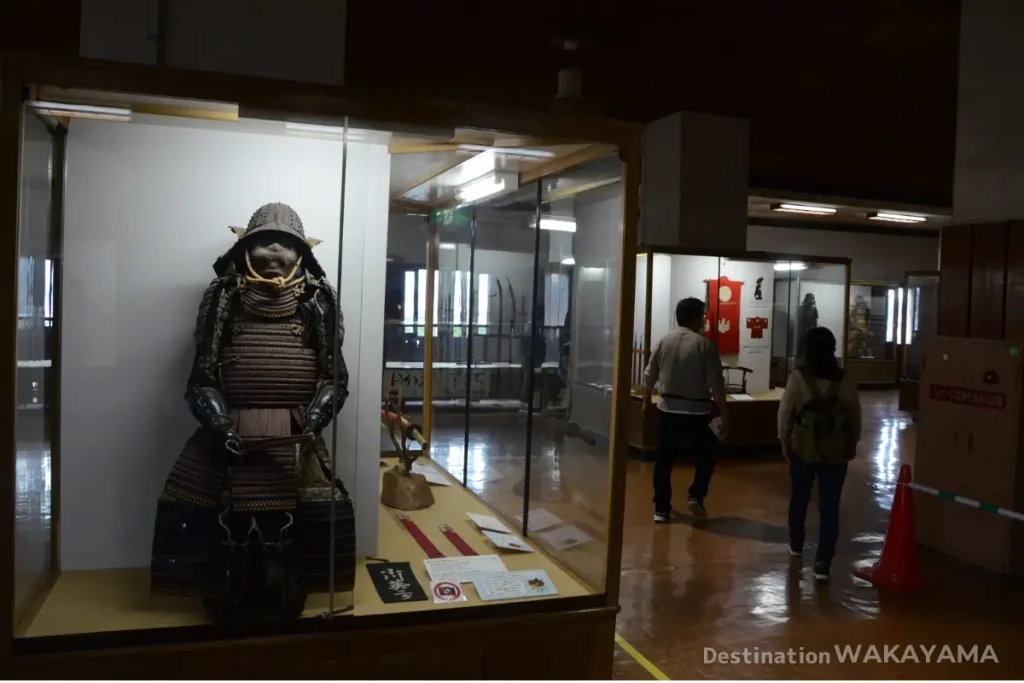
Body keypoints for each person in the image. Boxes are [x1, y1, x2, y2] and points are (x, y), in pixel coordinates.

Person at [778, 326, 861, 582]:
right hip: (836, 452)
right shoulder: (845, 379)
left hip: (804, 448)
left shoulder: (798, 378)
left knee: (800, 498)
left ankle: (796, 543)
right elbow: (855, 415)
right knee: (830, 506)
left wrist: (784, 441)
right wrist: (852, 443)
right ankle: (823, 562)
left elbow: (786, 413)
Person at [643, 297, 729, 523]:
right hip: (698, 412)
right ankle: (696, 495)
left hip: (668, 409)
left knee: (664, 460)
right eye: (702, 316)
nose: (703, 320)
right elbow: (716, 384)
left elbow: (649, 374)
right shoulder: (705, 345)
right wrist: (724, 413)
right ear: (694, 318)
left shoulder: (663, 341)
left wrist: (645, 402)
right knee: (706, 457)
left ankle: (661, 508)